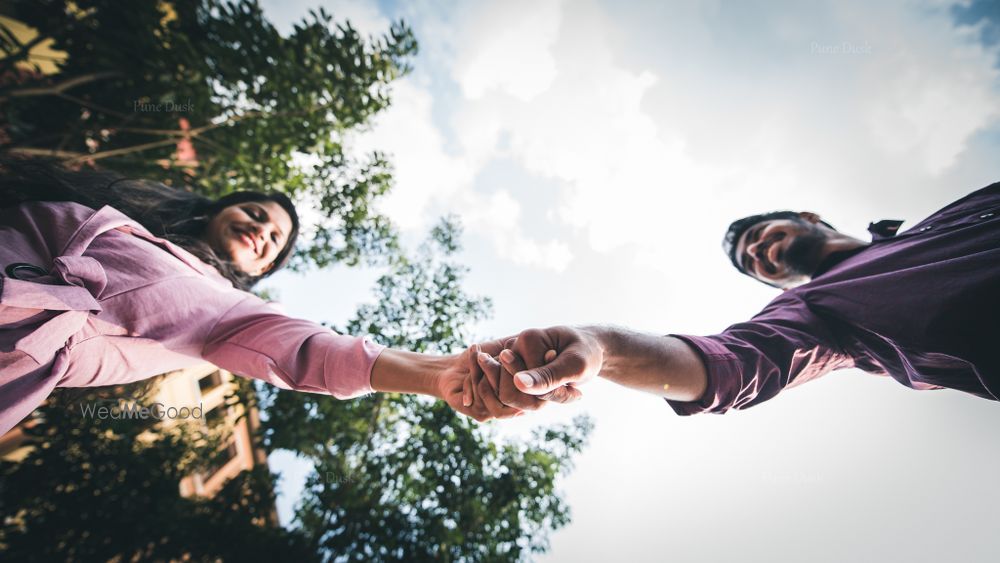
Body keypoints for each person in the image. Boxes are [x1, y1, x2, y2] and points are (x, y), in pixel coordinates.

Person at [0, 157, 519, 436]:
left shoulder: (225, 309)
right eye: (256, 213)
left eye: (273, 240)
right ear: (221, 208)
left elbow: (307, 351)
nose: (261, 230)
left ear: (262, 269)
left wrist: (439, 373)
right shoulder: (129, 216)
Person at [466, 182, 1000, 417]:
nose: (761, 253)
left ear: (808, 218)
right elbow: (733, 364)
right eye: (753, 263)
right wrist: (603, 347)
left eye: (761, 236)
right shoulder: (818, 311)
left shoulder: (952, 218)